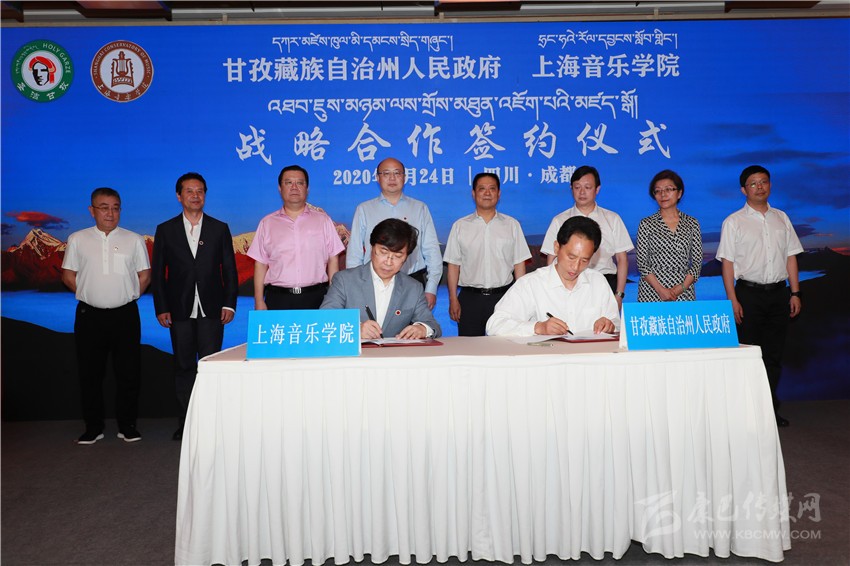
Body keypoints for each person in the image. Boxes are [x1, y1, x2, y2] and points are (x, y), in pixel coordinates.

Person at [151, 172, 239, 441]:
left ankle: (212, 423)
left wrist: (230, 304)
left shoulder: (219, 228)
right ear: (179, 196)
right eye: (189, 191)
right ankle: (187, 423)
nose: (195, 195)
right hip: (178, 309)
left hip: (213, 309)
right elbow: (158, 274)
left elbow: (230, 270)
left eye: (200, 191)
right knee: (183, 366)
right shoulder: (165, 230)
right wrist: (161, 307)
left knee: (211, 368)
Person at [61, 188, 151, 445]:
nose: (110, 213)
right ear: (92, 211)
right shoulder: (78, 239)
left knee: (129, 373)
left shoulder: (134, 239)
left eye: (115, 207)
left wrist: (128, 295)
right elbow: (68, 275)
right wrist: (89, 293)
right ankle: (93, 427)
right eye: (104, 207)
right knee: (90, 373)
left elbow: (145, 275)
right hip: (89, 316)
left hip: (126, 315)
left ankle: (127, 425)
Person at [716, 165, 802, 428]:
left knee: (773, 356)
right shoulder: (733, 222)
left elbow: (791, 256)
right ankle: (746, 413)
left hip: (778, 294)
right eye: (753, 183)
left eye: (763, 181)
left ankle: (769, 411)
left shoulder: (781, 218)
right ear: (744, 190)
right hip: (748, 295)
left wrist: (795, 292)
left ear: (770, 185)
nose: (759, 187)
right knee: (749, 356)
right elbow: (727, 263)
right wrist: (732, 299)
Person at [486, 216, 619, 337]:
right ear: (556, 247)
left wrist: (609, 325)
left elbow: (616, 323)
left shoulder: (598, 282)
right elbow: (495, 325)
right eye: (571, 257)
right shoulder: (531, 283)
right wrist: (538, 327)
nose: (576, 267)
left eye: (584, 260)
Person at [346, 157, 442, 309]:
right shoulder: (364, 209)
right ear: (377, 178)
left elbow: (432, 250)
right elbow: (355, 253)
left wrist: (431, 288)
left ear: (405, 177)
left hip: (413, 282)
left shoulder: (419, 208)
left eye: (397, 173)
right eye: (386, 173)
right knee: (374, 324)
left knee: (414, 325)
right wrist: (355, 287)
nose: (392, 178)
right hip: (373, 283)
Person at [322, 218, 441, 339]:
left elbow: (432, 325)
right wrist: (355, 329)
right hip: (356, 350)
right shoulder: (344, 280)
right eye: (383, 252)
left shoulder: (413, 288)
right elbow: (324, 320)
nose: (388, 262)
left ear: (406, 257)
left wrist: (422, 329)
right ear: (372, 247)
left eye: (397, 256)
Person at [444, 172, 531, 336]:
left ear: (499, 193)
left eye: (492, 189)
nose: (487, 193)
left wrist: (521, 300)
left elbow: (519, 265)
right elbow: (453, 266)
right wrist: (453, 299)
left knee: (504, 347)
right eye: (482, 189)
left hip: (504, 298)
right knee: (469, 348)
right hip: (470, 299)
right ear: (473, 193)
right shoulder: (460, 226)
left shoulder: (512, 225)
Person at [248, 165, 345, 310]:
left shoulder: (323, 220)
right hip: (278, 299)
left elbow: (333, 260)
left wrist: (333, 299)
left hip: (317, 298)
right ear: (280, 188)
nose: (294, 187)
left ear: (307, 188)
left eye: (300, 183)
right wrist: (259, 300)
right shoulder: (267, 223)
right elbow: (260, 264)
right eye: (288, 183)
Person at [540, 165, 633, 309]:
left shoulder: (612, 219)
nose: (582, 192)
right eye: (577, 187)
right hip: (569, 284)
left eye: (587, 187)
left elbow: (622, 259)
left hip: (605, 283)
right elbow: (551, 259)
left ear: (597, 189)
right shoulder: (559, 220)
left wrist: (619, 294)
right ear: (571, 188)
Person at [636, 169, 703, 302]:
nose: (663, 194)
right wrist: (660, 290)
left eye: (668, 189)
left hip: (684, 290)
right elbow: (642, 263)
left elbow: (697, 262)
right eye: (658, 191)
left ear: (679, 193)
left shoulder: (692, 223)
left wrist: (681, 288)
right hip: (651, 291)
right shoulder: (646, 224)